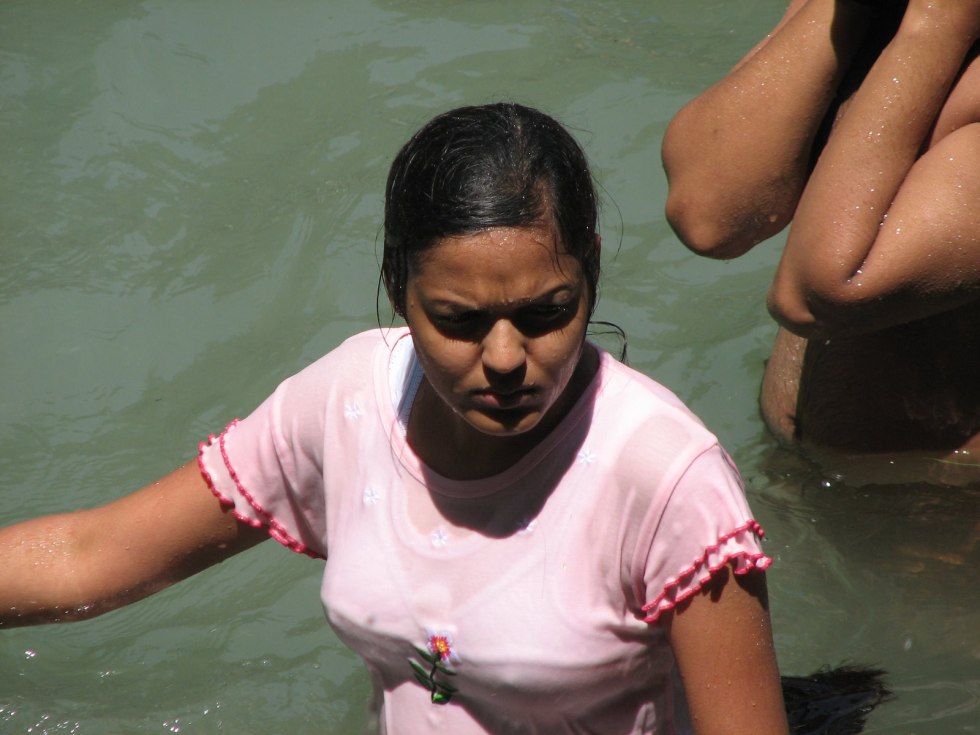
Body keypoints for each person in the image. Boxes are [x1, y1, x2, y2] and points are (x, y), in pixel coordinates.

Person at [0, 103, 791, 734]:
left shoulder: (667, 480)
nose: (509, 357)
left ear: (591, 266)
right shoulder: (348, 403)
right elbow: (93, 554)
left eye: (548, 311)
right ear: (395, 284)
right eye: (460, 320)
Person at [662, 0, 980, 486]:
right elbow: (712, 215)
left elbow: (818, 294)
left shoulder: (939, 22)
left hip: (937, 507)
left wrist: (938, 22)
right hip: (792, 467)